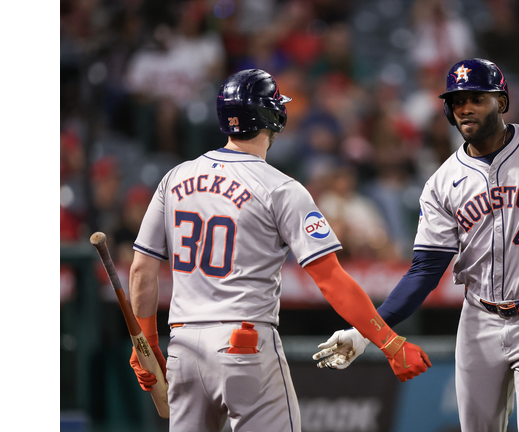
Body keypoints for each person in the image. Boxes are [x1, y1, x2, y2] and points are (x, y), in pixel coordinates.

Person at [313, 58, 519, 432]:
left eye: (476, 98)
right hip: (480, 319)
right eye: (457, 101)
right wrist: (366, 333)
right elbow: (425, 272)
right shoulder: (442, 182)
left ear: (501, 102)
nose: (465, 108)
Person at [127, 69, 431, 432]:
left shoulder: (175, 177)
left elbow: (141, 271)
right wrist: (389, 342)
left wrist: (146, 343)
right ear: (271, 115)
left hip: (183, 346)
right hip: (244, 343)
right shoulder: (280, 187)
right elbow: (331, 279)